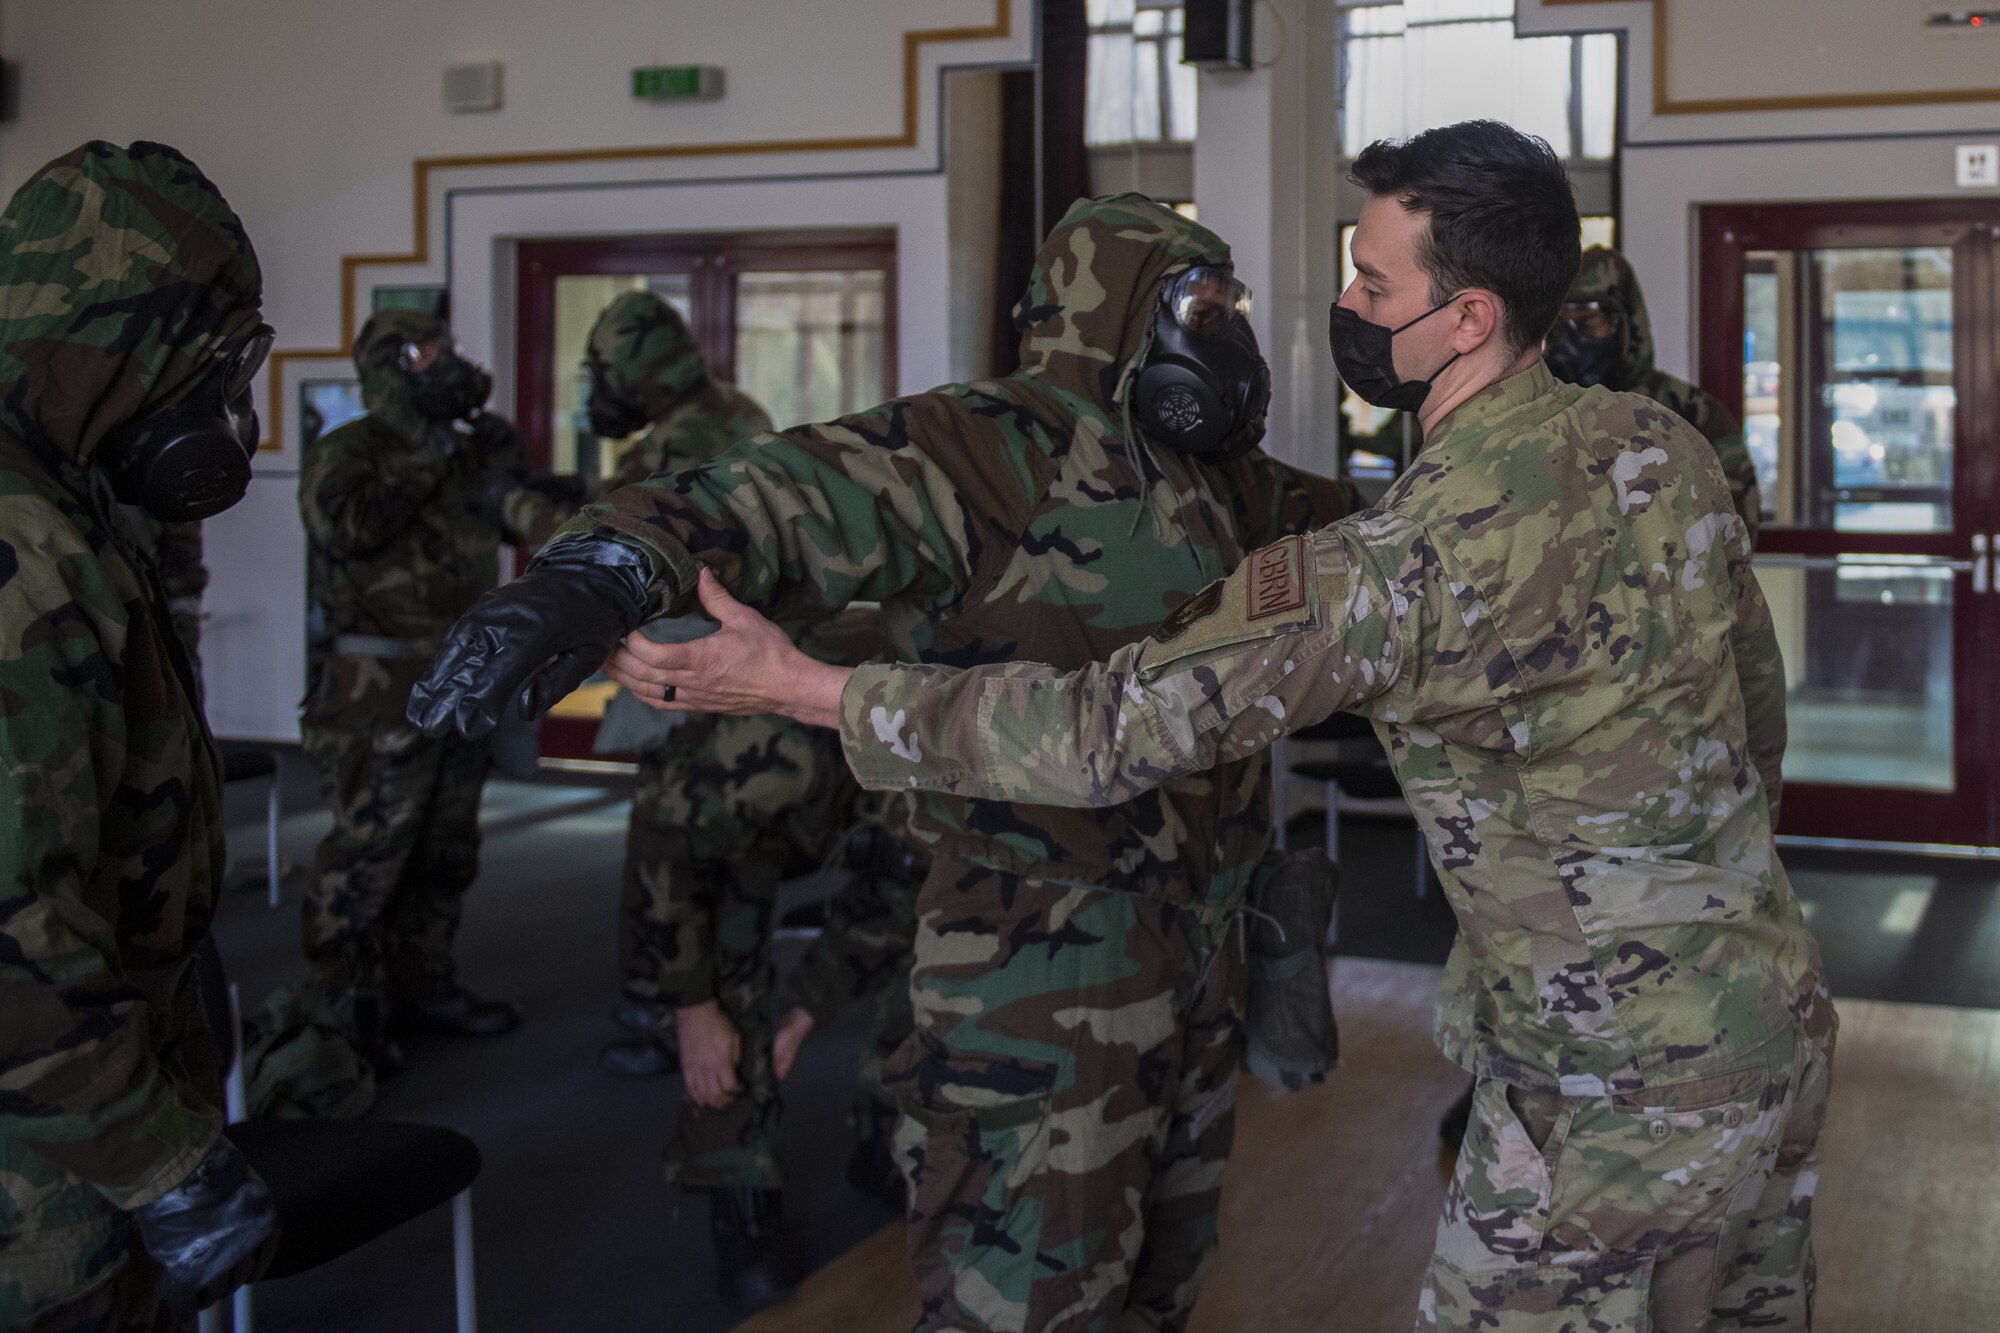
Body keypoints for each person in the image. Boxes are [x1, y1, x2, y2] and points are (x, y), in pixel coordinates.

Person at [609, 124, 1836, 1333]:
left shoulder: (1401, 559)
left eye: (1372, 282)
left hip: (1601, 1085)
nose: (1341, 304)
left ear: (1467, 317)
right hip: (1770, 1019)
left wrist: (800, 685)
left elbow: (1108, 730)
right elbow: (1751, 709)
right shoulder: (1658, 447)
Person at [409, 193, 1358, 1331]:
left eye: (1229, 309)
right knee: (1020, 1301)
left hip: (1200, 951)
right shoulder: (983, 446)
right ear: (1121, 314)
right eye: (1201, 307)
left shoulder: (1223, 480)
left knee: (1161, 1281)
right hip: (1037, 969)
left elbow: (1376, 530)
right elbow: (757, 500)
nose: (1226, 337)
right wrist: (596, 575)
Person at [0, 140, 278, 1331]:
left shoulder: (64, 501)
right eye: (210, 362)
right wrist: (159, 1163)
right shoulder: (23, 552)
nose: (223, 406)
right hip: (44, 1176)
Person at [296, 310, 556, 1071]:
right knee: (370, 850)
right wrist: (423, 454)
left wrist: (502, 461)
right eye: (424, 354)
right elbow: (344, 526)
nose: (443, 364)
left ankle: (424, 983)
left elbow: (511, 515)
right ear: (388, 365)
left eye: (445, 350)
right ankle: (339, 1011)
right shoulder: (352, 448)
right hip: (376, 687)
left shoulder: (463, 450)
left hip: (462, 674)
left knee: (445, 846)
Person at [1547, 245, 1761, 538]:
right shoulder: (1532, 410)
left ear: (1624, 324)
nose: (1570, 340)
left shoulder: (1689, 412)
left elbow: (1736, 527)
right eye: (1557, 324)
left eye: (1587, 321)